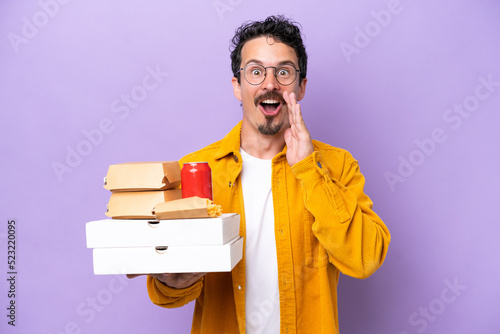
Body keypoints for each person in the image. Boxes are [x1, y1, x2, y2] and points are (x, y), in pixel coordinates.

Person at [129, 15, 391, 333]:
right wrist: (172, 281)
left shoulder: (336, 166)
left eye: (283, 72)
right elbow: (166, 296)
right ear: (238, 87)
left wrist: (309, 169)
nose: (270, 83)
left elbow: (364, 259)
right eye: (255, 71)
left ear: (301, 86)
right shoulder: (195, 170)